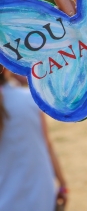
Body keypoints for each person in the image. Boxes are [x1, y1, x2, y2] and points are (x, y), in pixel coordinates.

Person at [0, 68, 68, 210]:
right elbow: (47, 144)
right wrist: (62, 185)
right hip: (40, 195)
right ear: (6, 67)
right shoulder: (30, 99)